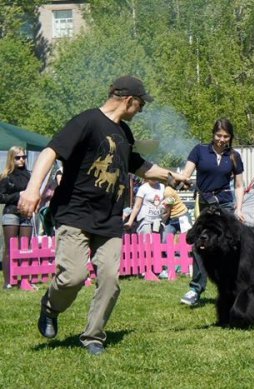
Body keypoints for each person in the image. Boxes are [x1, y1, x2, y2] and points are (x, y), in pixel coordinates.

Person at [16, 75, 188, 355]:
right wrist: (32, 189)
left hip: (109, 219)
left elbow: (139, 166)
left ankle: (93, 336)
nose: (141, 110)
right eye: (141, 104)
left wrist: (172, 177)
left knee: (110, 279)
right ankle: (50, 306)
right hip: (75, 214)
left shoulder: (124, 132)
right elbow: (50, 151)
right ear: (129, 100)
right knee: (72, 277)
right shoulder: (87, 121)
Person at [180, 118, 245, 306]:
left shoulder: (234, 156)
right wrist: (182, 180)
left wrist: (239, 209)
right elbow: (186, 174)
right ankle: (195, 289)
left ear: (230, 137)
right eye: (218, 135)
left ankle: (230, 286)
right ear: (213, 134)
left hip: (225, 204)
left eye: (226, 136)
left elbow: (239, 185)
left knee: (228, 244)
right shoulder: (199, 151)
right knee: (200, 244)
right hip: (204, 203)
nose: (222, 139)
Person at [0, 146, 32, 289]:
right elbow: (1, 197)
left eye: (24, 157)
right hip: (11, 213)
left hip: (26, 214)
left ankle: (25, 281)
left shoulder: (29, 175)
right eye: (18, 157)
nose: (21, 160)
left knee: (26, 248)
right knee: (9, 249)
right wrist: (18, 195)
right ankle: (8, 282)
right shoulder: (6, 176)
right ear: (11, 158)